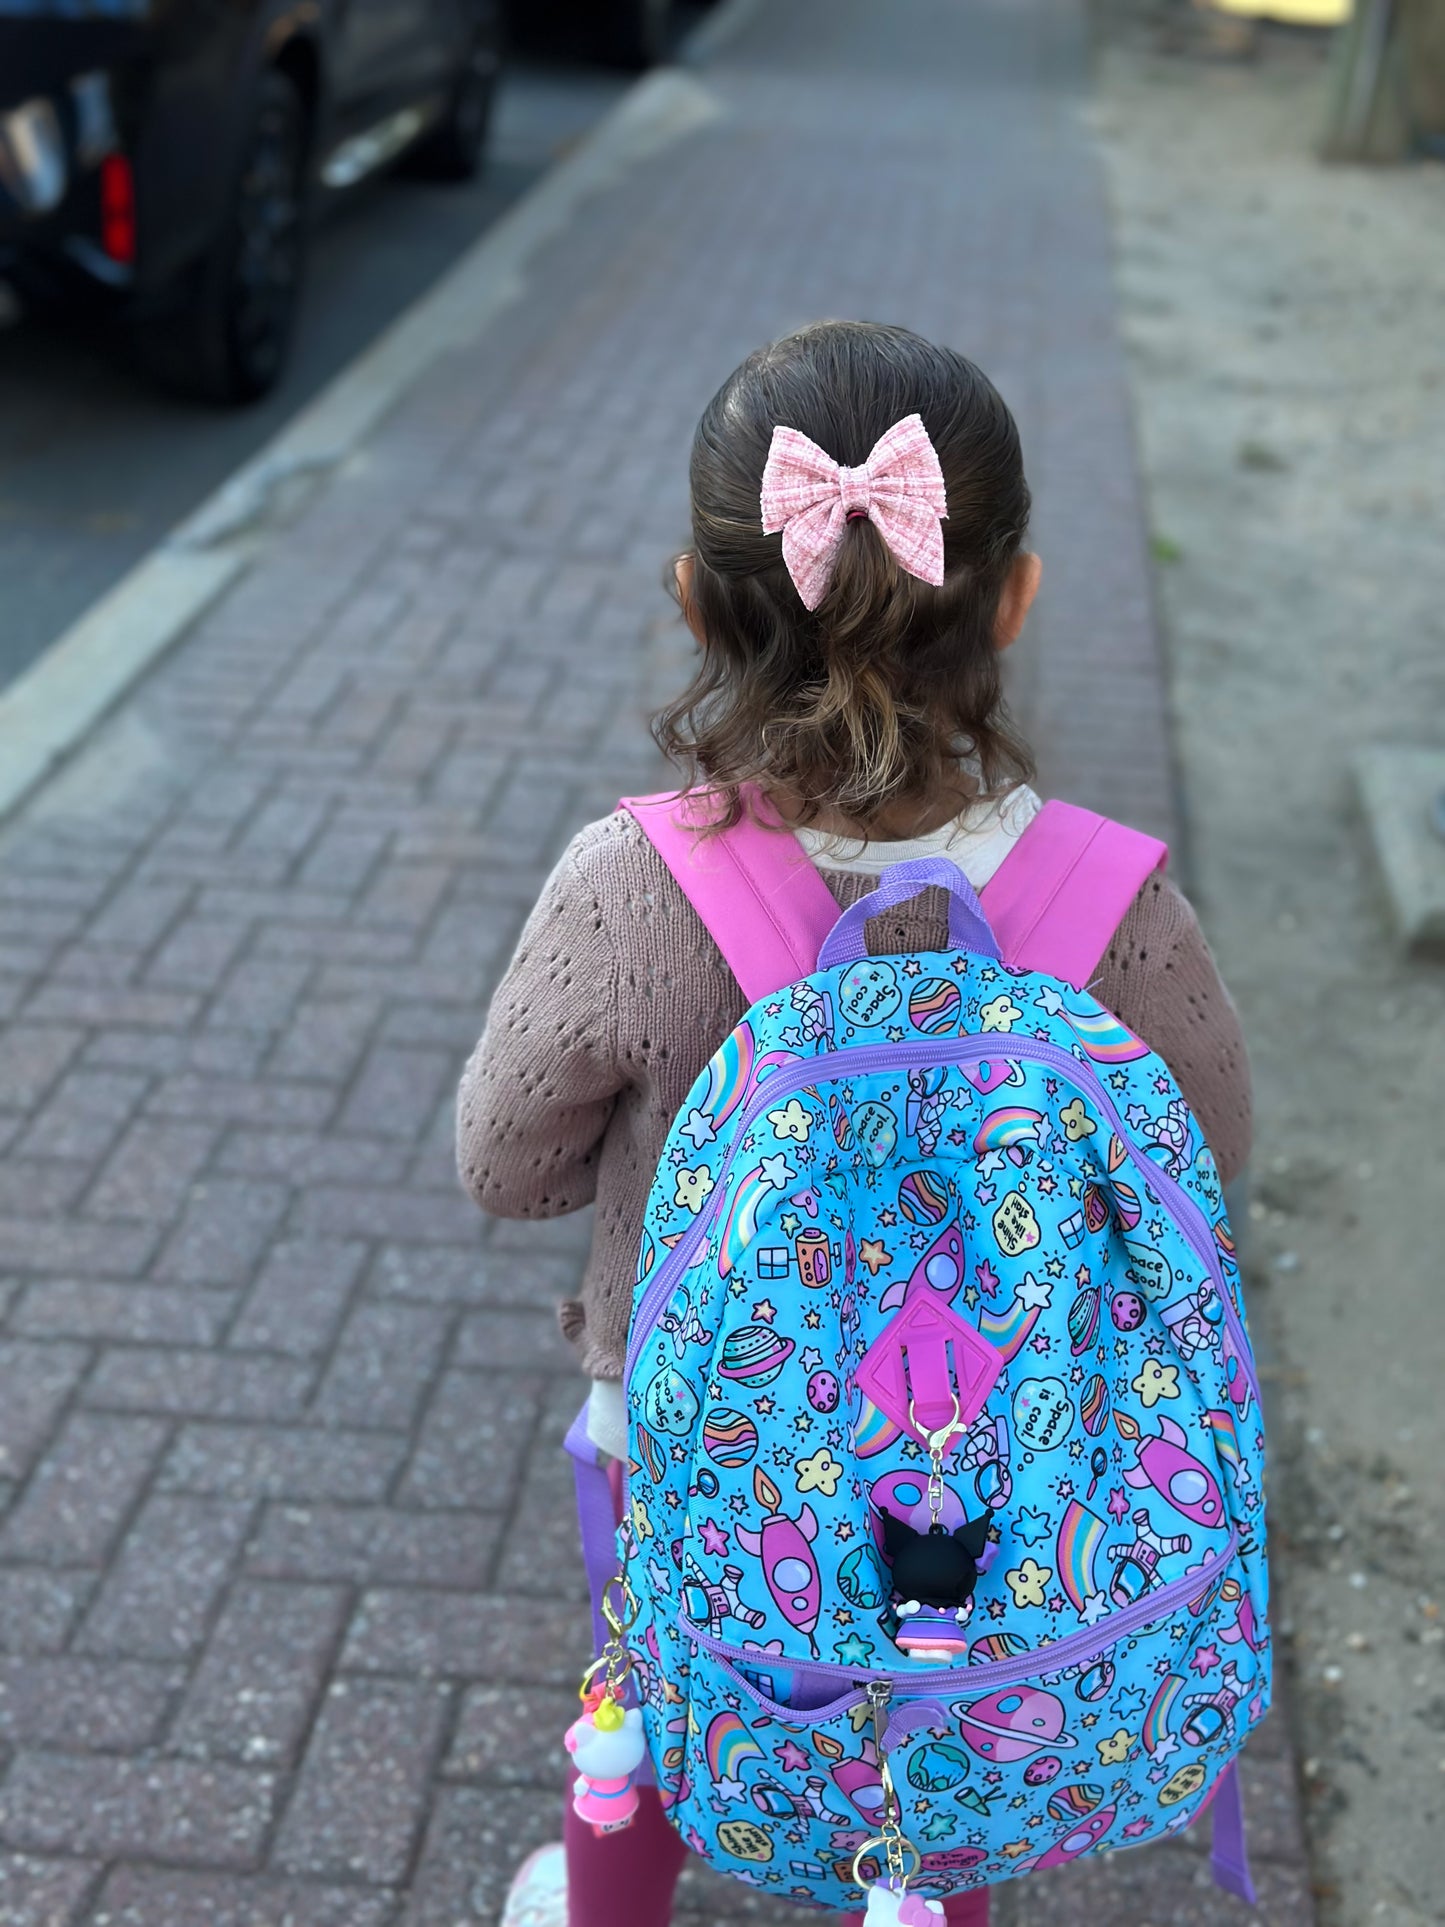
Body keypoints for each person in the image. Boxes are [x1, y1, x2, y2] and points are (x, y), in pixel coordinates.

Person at [457, 321, 1253, 1927]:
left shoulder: (629, 886)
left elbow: (507, 1161)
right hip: (1001, 1457)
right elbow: (1204, 1162)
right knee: (948, 1730)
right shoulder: (1116, 906)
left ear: (695, 600)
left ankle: (614, 1891)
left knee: (662, 1670)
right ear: (1013, 600)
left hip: (692, 1431)